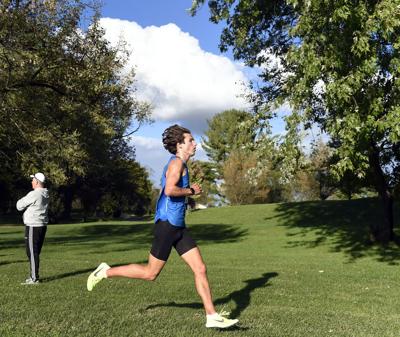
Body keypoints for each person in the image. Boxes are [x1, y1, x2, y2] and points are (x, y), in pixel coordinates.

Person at [87, 125, 238, 329]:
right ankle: (104, 272)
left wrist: (187, 199)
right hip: (166, 226)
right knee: (150, 274)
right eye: (191, 140)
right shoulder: (177, 164)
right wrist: (190, 191)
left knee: (200, 268)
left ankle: (211, 316)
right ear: (180, 145)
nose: (195, 144)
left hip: (178, 227)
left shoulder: (181, 164)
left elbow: (171, 192)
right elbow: (169, 190)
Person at [16, 172, 50, 285]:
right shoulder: (46, 193)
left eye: (32, 180)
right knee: (35, 252)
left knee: (32, 252)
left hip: (33, 226)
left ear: (36, 182)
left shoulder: (34, 194)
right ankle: (33, 276)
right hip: (41, 226)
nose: (31, 182)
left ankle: (34, 278)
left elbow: (19, 205)